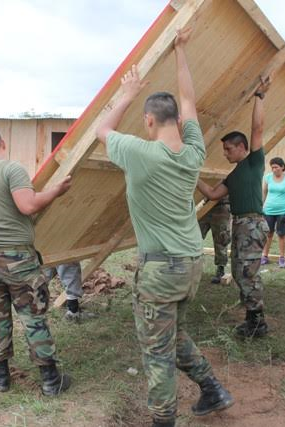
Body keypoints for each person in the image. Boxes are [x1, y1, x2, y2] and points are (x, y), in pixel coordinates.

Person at [96, 28, 234, 427]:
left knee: (156, 351)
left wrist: (126, 92)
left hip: (159, 269)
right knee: (171, 337)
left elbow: (103, 131)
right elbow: (189, 100)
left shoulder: (140, 153)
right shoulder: (193, 152)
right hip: (191, 263)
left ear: (150, 120)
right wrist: (181, 52)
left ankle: (163, 420)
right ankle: (212, 390)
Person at [0, 123, 72, 396]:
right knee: (33, 316)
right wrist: (56, 190)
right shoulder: (13, 170)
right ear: (3, 143)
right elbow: (28, 205)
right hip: (18, 259)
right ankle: (49, 380)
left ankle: (0, 379)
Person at [197, 78, 271, 339]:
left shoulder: (253, 162)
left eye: (229, 149)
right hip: (240, 225)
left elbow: (258, 129)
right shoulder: (233, 175)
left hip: (252, 224)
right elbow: (212, 194)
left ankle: (258, 322)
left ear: (242, 147)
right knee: (240, 272)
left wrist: (259, 97)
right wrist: (190, 171)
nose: (226, 154)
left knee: (248, 273)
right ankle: (252, 317)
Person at [261, 157, 285, 268]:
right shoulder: (268, 178)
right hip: (268, 210)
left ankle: (282, 258)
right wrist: (261, 208)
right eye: (272, 167)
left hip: (283, 211)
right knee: (268, 234)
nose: (274, 169)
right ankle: (264, 256)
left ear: (282, 167)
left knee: (281, 234)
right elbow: (264, 193)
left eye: (276, 167)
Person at [198, 195, 231, 283]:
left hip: (222, 205)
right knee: (194, 235)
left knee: (221, 239)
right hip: (206, 205)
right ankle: (190, 264)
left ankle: (220, 269)